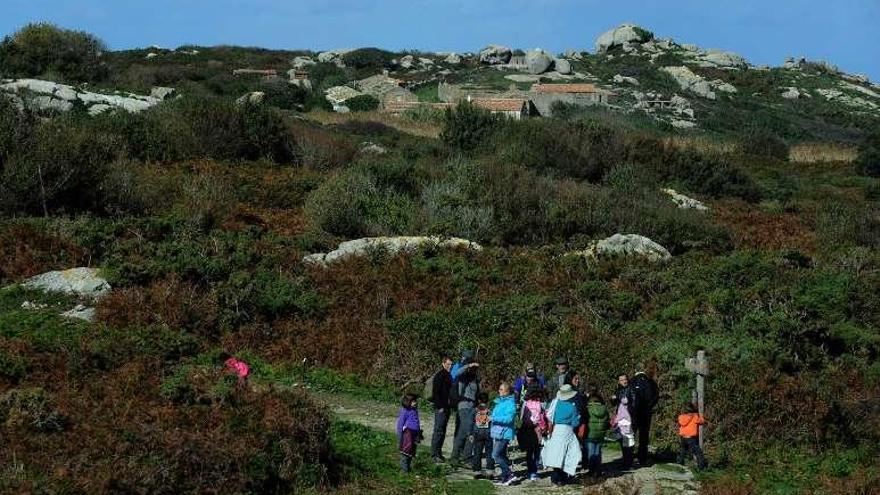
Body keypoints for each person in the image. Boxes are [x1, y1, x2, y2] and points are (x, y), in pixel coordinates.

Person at [541, 384, 582, 486]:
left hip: (556, 429)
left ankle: (555, 478)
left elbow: (549, 416)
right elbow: (575, 423)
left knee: (556, 454)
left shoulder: (556, 403)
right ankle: (563, 478)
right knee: (567, 454)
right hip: (567, 430)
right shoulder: (572, 407)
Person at [449, 353, 480, 467]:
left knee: (462, 433)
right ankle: (466, 458)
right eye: (473, 368)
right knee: (470, 432)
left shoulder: (475, 379)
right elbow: (455, 373)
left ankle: (455, 457)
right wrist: (468, 365)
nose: (474, 370)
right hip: (463, 407)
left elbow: (477, 394)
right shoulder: (462, 376)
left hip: (472, 408)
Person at [517, 386, 548, 481]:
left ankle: (531, 471)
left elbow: (522, 417)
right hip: (539, 430)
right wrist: (544, 428)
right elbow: (545, 416)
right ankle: (534, 470)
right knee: (537, 451)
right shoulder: (542, 404)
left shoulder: (526, 403)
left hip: (528, 429)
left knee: (529, 452)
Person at [490, 382, 518, 486]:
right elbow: (495, 414)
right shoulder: (499, 402)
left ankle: (509, 474)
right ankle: (505, 476)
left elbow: (509, 419)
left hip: (504, 433)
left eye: (501, 389)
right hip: (497, 432)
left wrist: (494, 418)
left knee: (495, 454)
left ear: (507, 391)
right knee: (501, 454)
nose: (499, 391)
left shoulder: (510, 403)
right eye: (499, 389)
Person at [631, 365, 659, 465]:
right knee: (644, 435)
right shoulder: (651, 382)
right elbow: (656, 396)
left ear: (635, 370)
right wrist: (649, 406)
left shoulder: (631, 381)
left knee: (631, 434)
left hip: (633, 413)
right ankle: (642, 457)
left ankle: (629, 457)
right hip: (646, 413)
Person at [430, 356, 454, 463]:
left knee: (443, 431)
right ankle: (434, 454)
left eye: (451, 364)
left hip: (447, 407)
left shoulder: (449, 376)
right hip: (441, 408)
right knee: (438, 431)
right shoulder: (439, 376)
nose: (450, 366)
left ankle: (438, 453)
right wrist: (439, 407)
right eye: (448, 364)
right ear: (443, 364)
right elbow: (436, 393)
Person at [612, 373, 637, 469]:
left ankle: (628, 462)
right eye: (621, 380)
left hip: (628, 418)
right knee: (622, 440)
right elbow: (614, 403)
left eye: (625, 379)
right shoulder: (618, 390)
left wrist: (629, 406)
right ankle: (626, 461)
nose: (624, 381)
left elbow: (635, 404)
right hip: (620, 418)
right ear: (619, 381)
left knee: (629, 440)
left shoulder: (631, 389)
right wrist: (613, 399)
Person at [585, 386, 610, 479]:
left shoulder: (588, 408)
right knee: (598, 452)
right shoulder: (604, 408)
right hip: (601, 433)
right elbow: (608, 420)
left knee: (591, 453)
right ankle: (598, 470)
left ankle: (591, 471)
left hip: (591, 433)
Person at [397, 394, 423, 473]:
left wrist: (419, 433)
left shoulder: (414, 410)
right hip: (407, 434)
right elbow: (400, 423)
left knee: (411, 452)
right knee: (405, 452)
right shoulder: (405, 411)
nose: (416, 403)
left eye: (415, 401)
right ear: (408, 402)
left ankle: (408, 467)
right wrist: (400, 435)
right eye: (413, 401)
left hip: (414, 434)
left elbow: (416, 422)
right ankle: (404, 470)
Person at [471, 392, 495, 477]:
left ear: (478, 400)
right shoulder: (489, 410)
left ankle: (477, 471)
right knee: (490, 453)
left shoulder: (475, 410)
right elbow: (493, 421)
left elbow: (472, 422)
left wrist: (471, 434)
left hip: (478, 434)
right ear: (487, 400)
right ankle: (490, 471)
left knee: (477, 453)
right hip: (488, 434)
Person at [676, 403, 707, 470]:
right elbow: (702, 421)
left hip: (683, 437)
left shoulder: (681, 417)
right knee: (698, 452)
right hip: (691, 438)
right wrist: (699, 415)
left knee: (683, 451)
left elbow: (680, 422)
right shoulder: (695, 417)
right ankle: (701, 467)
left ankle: (679, 463)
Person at [570, 373, 590, 468]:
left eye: (578, 379)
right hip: (572, 422)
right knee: (573, 444)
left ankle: (585, 463)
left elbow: (583, 408)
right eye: (575, 379)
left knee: (584, 443)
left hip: (581, 420)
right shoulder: (569, 393)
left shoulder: (580, 392)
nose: (577, 381)